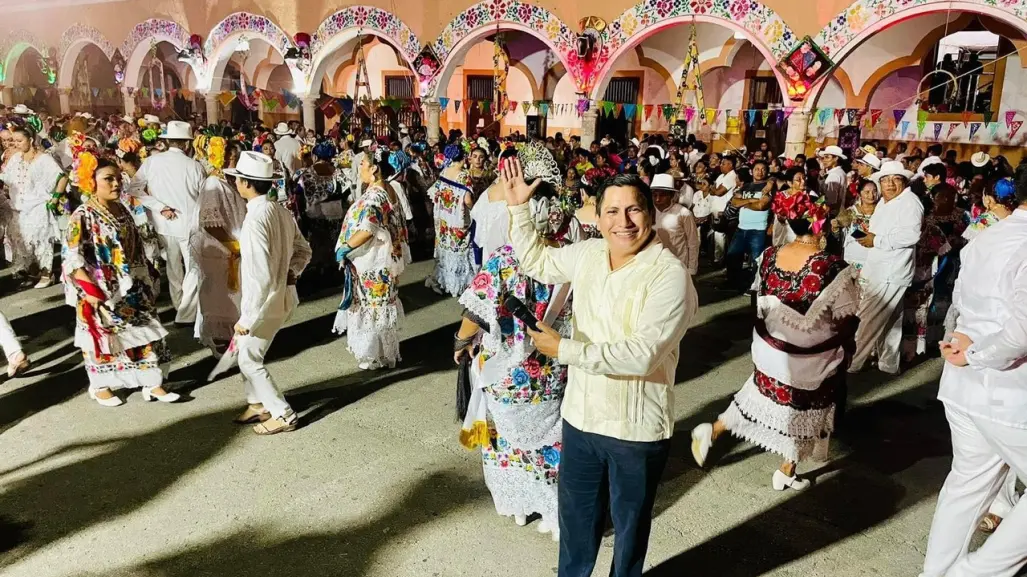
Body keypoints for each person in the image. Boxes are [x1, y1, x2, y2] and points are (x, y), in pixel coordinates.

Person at [501, 164, 697, 577]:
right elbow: (537, 261)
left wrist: (565, 349)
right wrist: (518, 210)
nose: (622, 222)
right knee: (576, 523)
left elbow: (643, 354)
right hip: (582, 419)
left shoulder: (670, 276)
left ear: (651, 213)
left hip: (636, 429)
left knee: (628, 529)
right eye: (611, 211)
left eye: (633, 210)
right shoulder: (590, 254)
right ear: (598, 215)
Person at [692, 191, 858, 489]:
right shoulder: (834, 267)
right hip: (807, 358)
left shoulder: (770, 254)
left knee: (757, 397)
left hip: (770, 349)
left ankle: (713, 430)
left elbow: (758, 298)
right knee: (806, 410)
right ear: (820, 222)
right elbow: (845, 317)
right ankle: (786, 470)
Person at [455, 142, 571, 541]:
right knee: (550, 438)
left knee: (507, 439)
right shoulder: (570, 257)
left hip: (507, 369)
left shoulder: (505, 258)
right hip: (553, 369)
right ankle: (553, 508)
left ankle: (519, 505)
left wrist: (459, 341)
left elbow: (475, 312)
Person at [918, 166, 1027, 577]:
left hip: (967, 387)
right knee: (967, 485)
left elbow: (963, 297)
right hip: (1008, 394)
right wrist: (976, 353)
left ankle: (940, 572)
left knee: (966, 485)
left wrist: (966, 341)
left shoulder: (990, 235)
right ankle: (976, 572)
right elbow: (1021, 332)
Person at [62, 156, 176, 407]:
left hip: (133, 284)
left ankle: (152, 382)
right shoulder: (82, 215)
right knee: (104, 338)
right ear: (90, 181)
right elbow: (71, 258)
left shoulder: (121, 208)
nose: (116, 184)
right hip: (100, 290)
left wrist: (148, 273)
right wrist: (91, 291)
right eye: (108, 179)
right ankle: (100, 385)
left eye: (117, 178)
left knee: (145, 331)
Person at [225, 151, 312, 434]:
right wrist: (293, 271)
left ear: (245, 184)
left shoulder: (255, 221)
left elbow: (260, 278)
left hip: (266, 303)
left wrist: (247, 319)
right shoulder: (280, 211)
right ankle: (258, 404)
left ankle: (282, 413)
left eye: (238, 179)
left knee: (248, 359)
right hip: (281, 296)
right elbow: (304, 250)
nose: (236, 183)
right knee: (250, 353)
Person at [333, 149, 409, 370]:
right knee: (382, 304)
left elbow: (368, 228)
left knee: (372, 305)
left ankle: (372, 355)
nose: (359, 169)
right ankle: (385, 353)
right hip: (386, 260)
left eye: (362, 164)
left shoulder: (374, 196)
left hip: (374, 261)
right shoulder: (389, 190)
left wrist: (346, 247)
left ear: (374, 168)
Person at [128, 120, 206, 325]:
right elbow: (203, 198)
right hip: (190, 224)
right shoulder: (195, 166)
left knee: (173, 266)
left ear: (168, 141)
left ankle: (180, 305)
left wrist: (159, 206)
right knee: (193, 268)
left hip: (164, 222)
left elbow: (133, 189)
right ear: (187, 144)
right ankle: (186, 312)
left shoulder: (152, 162)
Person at [850, 161, 924, 374]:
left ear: (904, 181)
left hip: (890, 272)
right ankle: (888, 364)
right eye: (885, 180)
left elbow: (911, 235)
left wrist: (876, 240)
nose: (889, 184)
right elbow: (878, 232)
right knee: (891, 321)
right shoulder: (887, 201)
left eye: (895, 179)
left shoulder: (909, 202)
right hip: (882, 269)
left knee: (867, 319)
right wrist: (866, 235)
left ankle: (853, 363)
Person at [190, 139, 247, 356]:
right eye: (232, 156)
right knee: (220, 299)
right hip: (220, 250)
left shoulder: (225, 181)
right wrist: (232, 245)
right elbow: (210, 222)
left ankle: (232, 342)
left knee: (232, 297)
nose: (235, 160)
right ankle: (221, 347)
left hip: (230, 249)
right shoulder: (213, 184)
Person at [1, 126, 67, 289]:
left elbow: (62, 177)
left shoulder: (44, 159)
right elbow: (7, 179)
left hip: (37, 206)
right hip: (18, 207)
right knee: (22, 243)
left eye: (19, 141)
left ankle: (47, 273)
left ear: (30, 140)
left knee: (40, 241)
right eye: (13, 141)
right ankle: (33, 273)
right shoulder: (15, 159)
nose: (15, 144)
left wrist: (55, 198)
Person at [425, 144, 475, 296]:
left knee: (445, 247)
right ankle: (457, 284)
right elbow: (467, 200)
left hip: (443, 219)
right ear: (463, 157)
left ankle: (443, 280)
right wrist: (475, 209)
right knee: (460, 248)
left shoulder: (445, 172)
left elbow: (434, 193)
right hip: (458, 218)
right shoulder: (463, 176)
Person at [294, 140, 346, 277]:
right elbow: (347, 191)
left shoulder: (307, 174)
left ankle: (319, 269)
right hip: (336, 212)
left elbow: (298, 194)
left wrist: (301, 214)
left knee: (318, 242)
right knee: (333, 241)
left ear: (315, 156)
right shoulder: (337, 172)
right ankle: (334, 267)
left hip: (315, 214)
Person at [725, 158, 773, 290]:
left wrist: (744, 201)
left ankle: (754, 287)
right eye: (757, 169)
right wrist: (752, 200)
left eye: (763, 169)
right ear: (752, 172)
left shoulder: (768, 187)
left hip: (759, 228)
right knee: (732, 256)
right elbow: (735, 202)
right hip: (741, 228)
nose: (760, 172)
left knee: (757, 261)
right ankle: (733, 283)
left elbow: (762, 206)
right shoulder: (746, 186)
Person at [835, 179, 879, 292]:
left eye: (874, 191)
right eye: (867, 192)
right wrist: (835, 227)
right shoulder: (851, 212)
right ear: (860, 194)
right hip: (853, 258)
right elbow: (838, 232)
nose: (871, 195)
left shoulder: (882, 211)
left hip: (873, 258)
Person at [650, 173, 699, 276]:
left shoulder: (683, 213)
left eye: (662, 195)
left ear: (671, 195)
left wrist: (691, 269)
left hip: (678, 266)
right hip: (654, 265)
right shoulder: (648, 213)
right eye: (655, 195)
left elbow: (693, 242)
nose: (658, 199)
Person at [817, 145, 848, 214]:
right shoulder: (841, 172)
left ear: (836, 158)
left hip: (831, 213)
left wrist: (816, 204)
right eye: (823, 157)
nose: (824, 160)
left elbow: (831, 200)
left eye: (827, 157)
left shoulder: (834, 175)